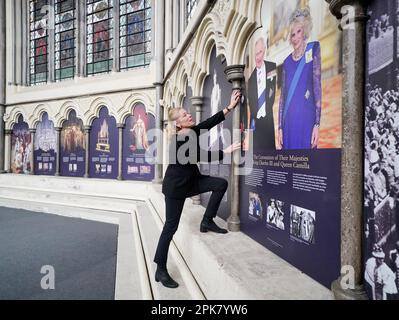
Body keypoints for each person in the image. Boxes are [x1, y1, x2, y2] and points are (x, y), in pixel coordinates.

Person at [153, 90, 242, 288]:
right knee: (170, 227)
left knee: (220, 184)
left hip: (192, 182)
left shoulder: (191, 131)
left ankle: (207, 221)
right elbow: (198, 154)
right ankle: (160, 268)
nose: (189, 115)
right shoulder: (177, 140)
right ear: (178, 123)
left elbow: (207, 123)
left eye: (187, 113)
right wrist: (225, 151)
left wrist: (229, 107)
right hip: (176, 188)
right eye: (185, 115)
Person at [278, 7, 321, 150]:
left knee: (307, 163)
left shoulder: (313, 49)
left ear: (305, 32)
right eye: (292, 34)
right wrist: (280, 127)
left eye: (299, 32)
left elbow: (317, 88)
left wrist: (317, 124)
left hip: (306, 119)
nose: (295, 37)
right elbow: (282, 97)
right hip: (289, 121)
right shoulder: (286, 63)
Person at [243, 37, 277, 151]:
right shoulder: (251, 79)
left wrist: (266, 110)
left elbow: (272, 90)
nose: (258, 57)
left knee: (270, 150)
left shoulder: (271, 67)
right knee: (258, 153)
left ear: (264, 51)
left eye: (260, 52)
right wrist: (250, 131)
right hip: (256, 122)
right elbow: (251, 106)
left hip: (268, 117)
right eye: (256, 54)